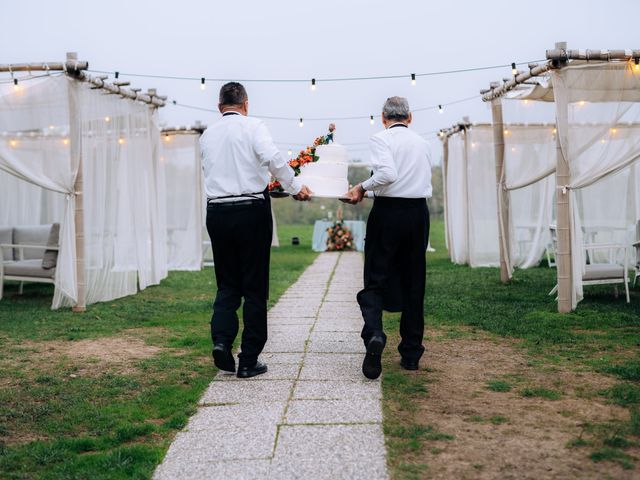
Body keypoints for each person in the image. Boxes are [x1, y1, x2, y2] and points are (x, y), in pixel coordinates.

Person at [200, 82, 312, 378]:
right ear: (246, 105)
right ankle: (248, 358)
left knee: (227, 283)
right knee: (253, 287)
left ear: (219, 106)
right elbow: (273, 159)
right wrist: (296, 187)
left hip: (217, 211)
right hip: (251, 211)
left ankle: (221, 341)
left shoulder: (207, 135)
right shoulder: (254, 126)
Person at [344, 96, 432, 380]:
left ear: (383, 118)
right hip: (417, 213)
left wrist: (360, 186)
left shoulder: (381, 139)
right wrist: (367, 192)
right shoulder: (423, 143)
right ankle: (410, 354)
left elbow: (388, 175)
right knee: (414, 280)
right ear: (410, 117)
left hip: (388, 215)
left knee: (375, 276)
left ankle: (375, 334)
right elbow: (405, 182)